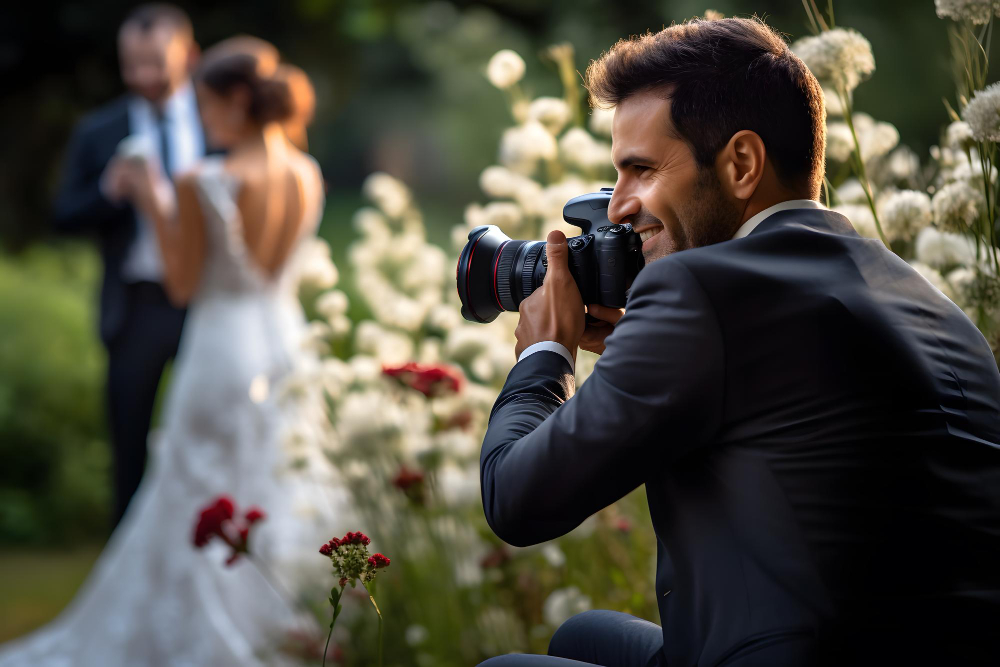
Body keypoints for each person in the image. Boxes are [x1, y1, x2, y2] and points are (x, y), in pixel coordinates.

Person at [478, 17, 1000, 666]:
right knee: (583, 636)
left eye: (640, 170)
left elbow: (516, 501)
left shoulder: (701, 292)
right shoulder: (933, 307)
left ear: (742, 164)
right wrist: (647, 357)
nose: (616, 206)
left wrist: (545, 354)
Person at [0, 38, 351, 665]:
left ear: (235, 102)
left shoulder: (204, 177)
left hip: (220, 346)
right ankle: (286, 632)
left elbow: (182, 282)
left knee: (199, 489)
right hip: (284, 343)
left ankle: (209, 636)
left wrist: (151, 197)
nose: (203, 117)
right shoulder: (305, 170)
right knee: (275, 484)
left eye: (207, 104)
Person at [51, 3, 205, 526]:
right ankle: (128, 564)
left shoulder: (220, 120)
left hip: (207, 306)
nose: (142, 76)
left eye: (154, 63)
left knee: (205, 438)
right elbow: (64, 214)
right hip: (135, 304)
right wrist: (108, 190)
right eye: (130, 64)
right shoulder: (100, 130)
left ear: (188, 55)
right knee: (129, 442)